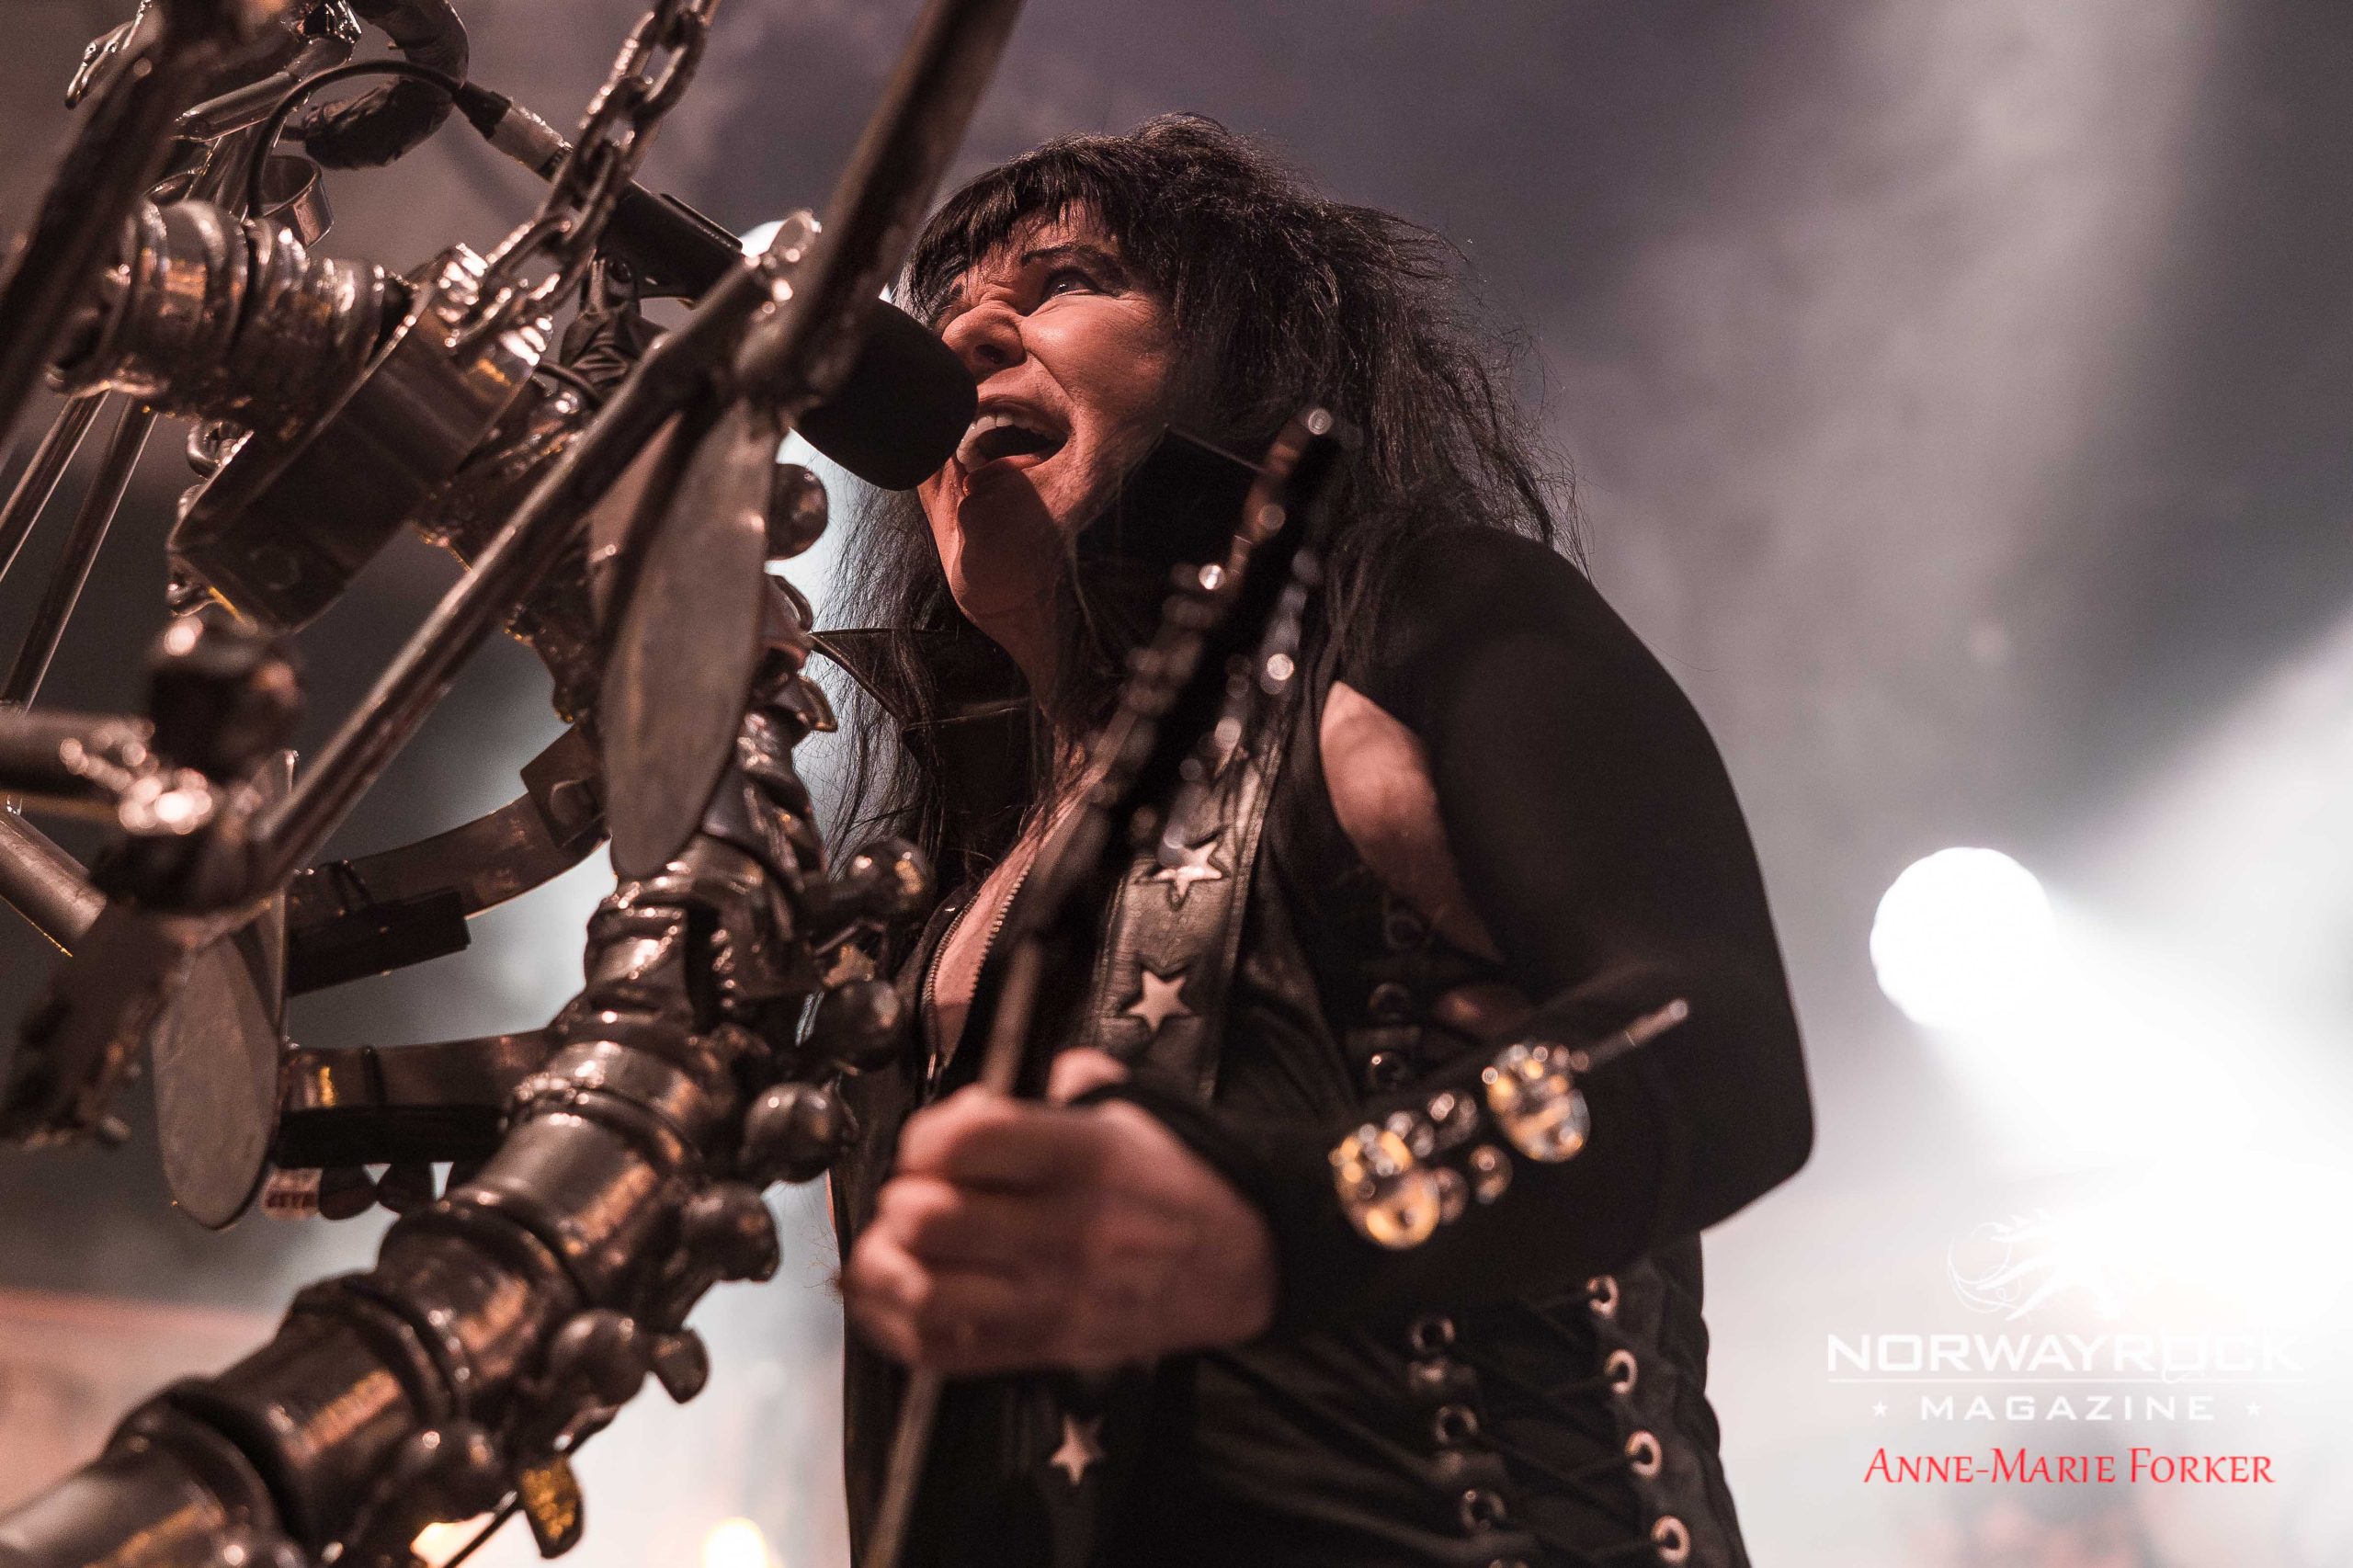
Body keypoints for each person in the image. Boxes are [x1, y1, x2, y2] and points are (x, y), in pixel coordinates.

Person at [823, 114, 1813, 1568]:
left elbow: (1719, 1045)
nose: (967, 331)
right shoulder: (934, 891)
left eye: (1065, 281)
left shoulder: (1430, 618)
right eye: (949, 306)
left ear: (1242, 350)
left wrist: (1282, 1225)